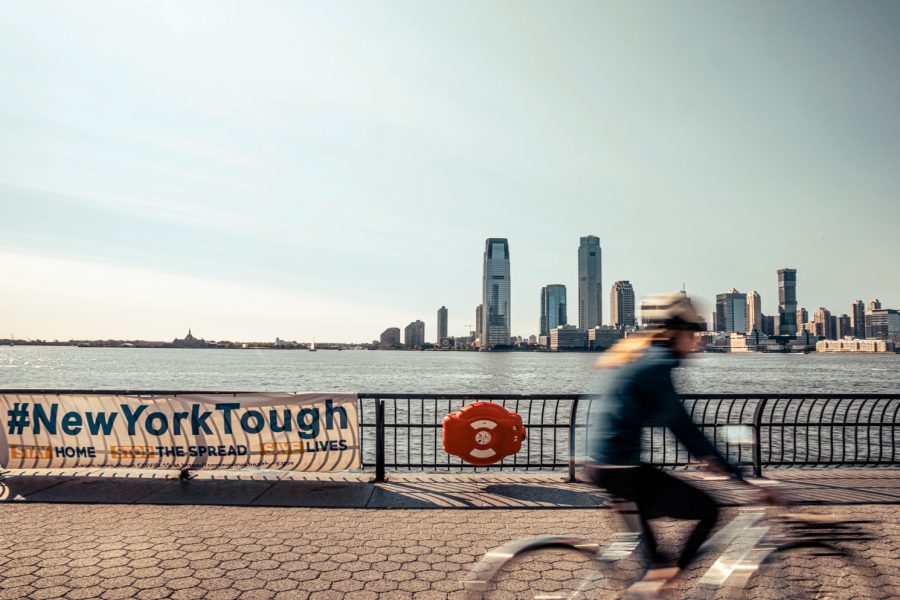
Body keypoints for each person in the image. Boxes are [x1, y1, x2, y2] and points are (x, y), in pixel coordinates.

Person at [585, 292, 742, 585]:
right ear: (678, 334)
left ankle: (655, 579)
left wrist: (705, 456)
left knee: (653, 556)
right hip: (622, 470)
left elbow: (663, 418)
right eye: (693, 335)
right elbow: (682, 425)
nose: (696, 342)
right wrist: (733, 471)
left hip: (603, 464)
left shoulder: (640, 356)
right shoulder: (657, 366)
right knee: (709, 510)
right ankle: (671, 577)